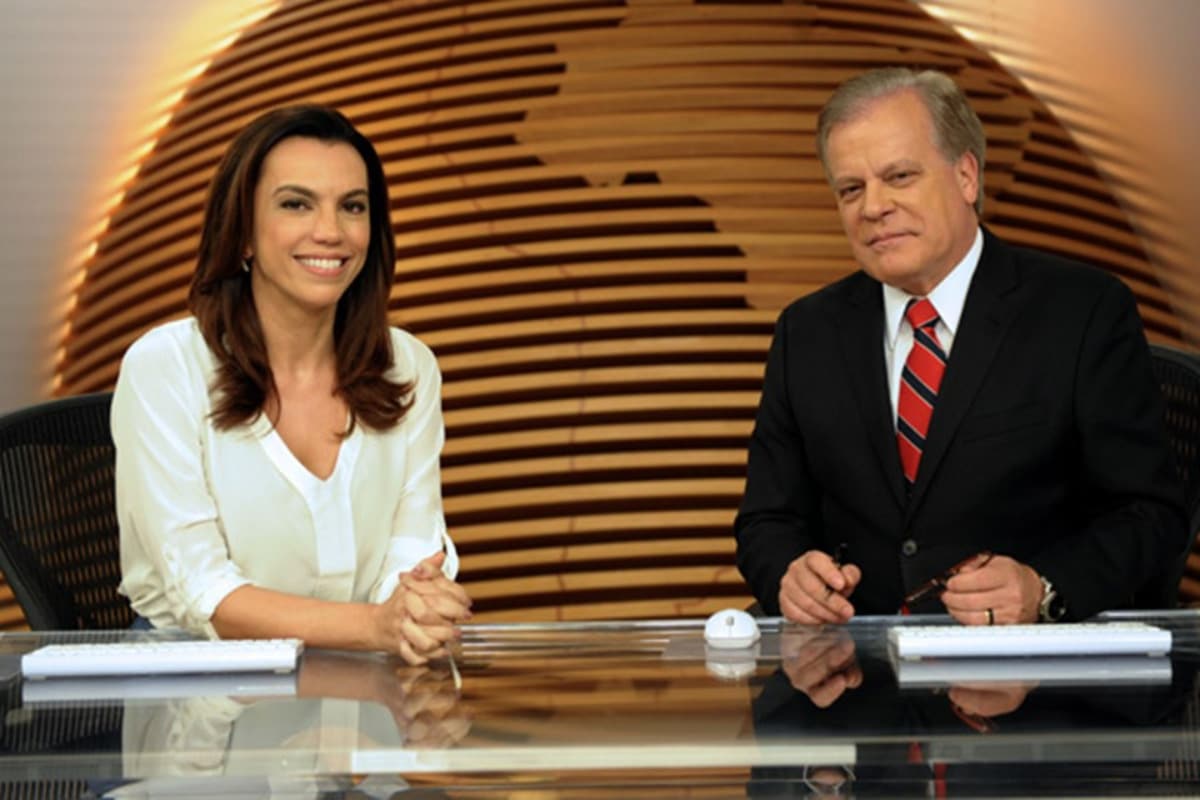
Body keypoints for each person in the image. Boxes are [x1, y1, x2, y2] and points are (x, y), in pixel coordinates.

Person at [734, 67, 1187, 626]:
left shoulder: (1083, 311)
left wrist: (1044, 587)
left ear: (967, 176)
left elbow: (1151, 513)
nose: (872, 207)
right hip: (858, 679)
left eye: (899, 176)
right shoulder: (807, 331)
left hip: (1036, 679)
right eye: (851, 188)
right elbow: (767, 520)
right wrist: (789, 574)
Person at [113, 105, 470, 663]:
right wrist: (377, 625)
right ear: (244, 235)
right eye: (296, 204)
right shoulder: (164, 366)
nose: (330, 232)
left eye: (352, 207)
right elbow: (206, 597)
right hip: (194, 695)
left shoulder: (409, 366)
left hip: (360, 682)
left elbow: (413, 555)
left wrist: (415, 609)